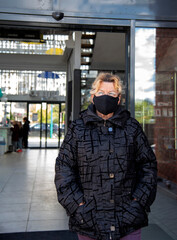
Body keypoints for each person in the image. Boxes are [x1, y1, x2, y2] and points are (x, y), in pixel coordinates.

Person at [55, 72, 157, 240]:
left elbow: (148, 167)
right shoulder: (77, 128)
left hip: (127, 223)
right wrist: (78, 205)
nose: (105, 97)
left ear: (118, 99)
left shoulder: (132, 128)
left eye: (111, 94)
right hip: (88, 221)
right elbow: (63, 168)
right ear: (93, 96)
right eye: (101, 93)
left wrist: (138, 203)